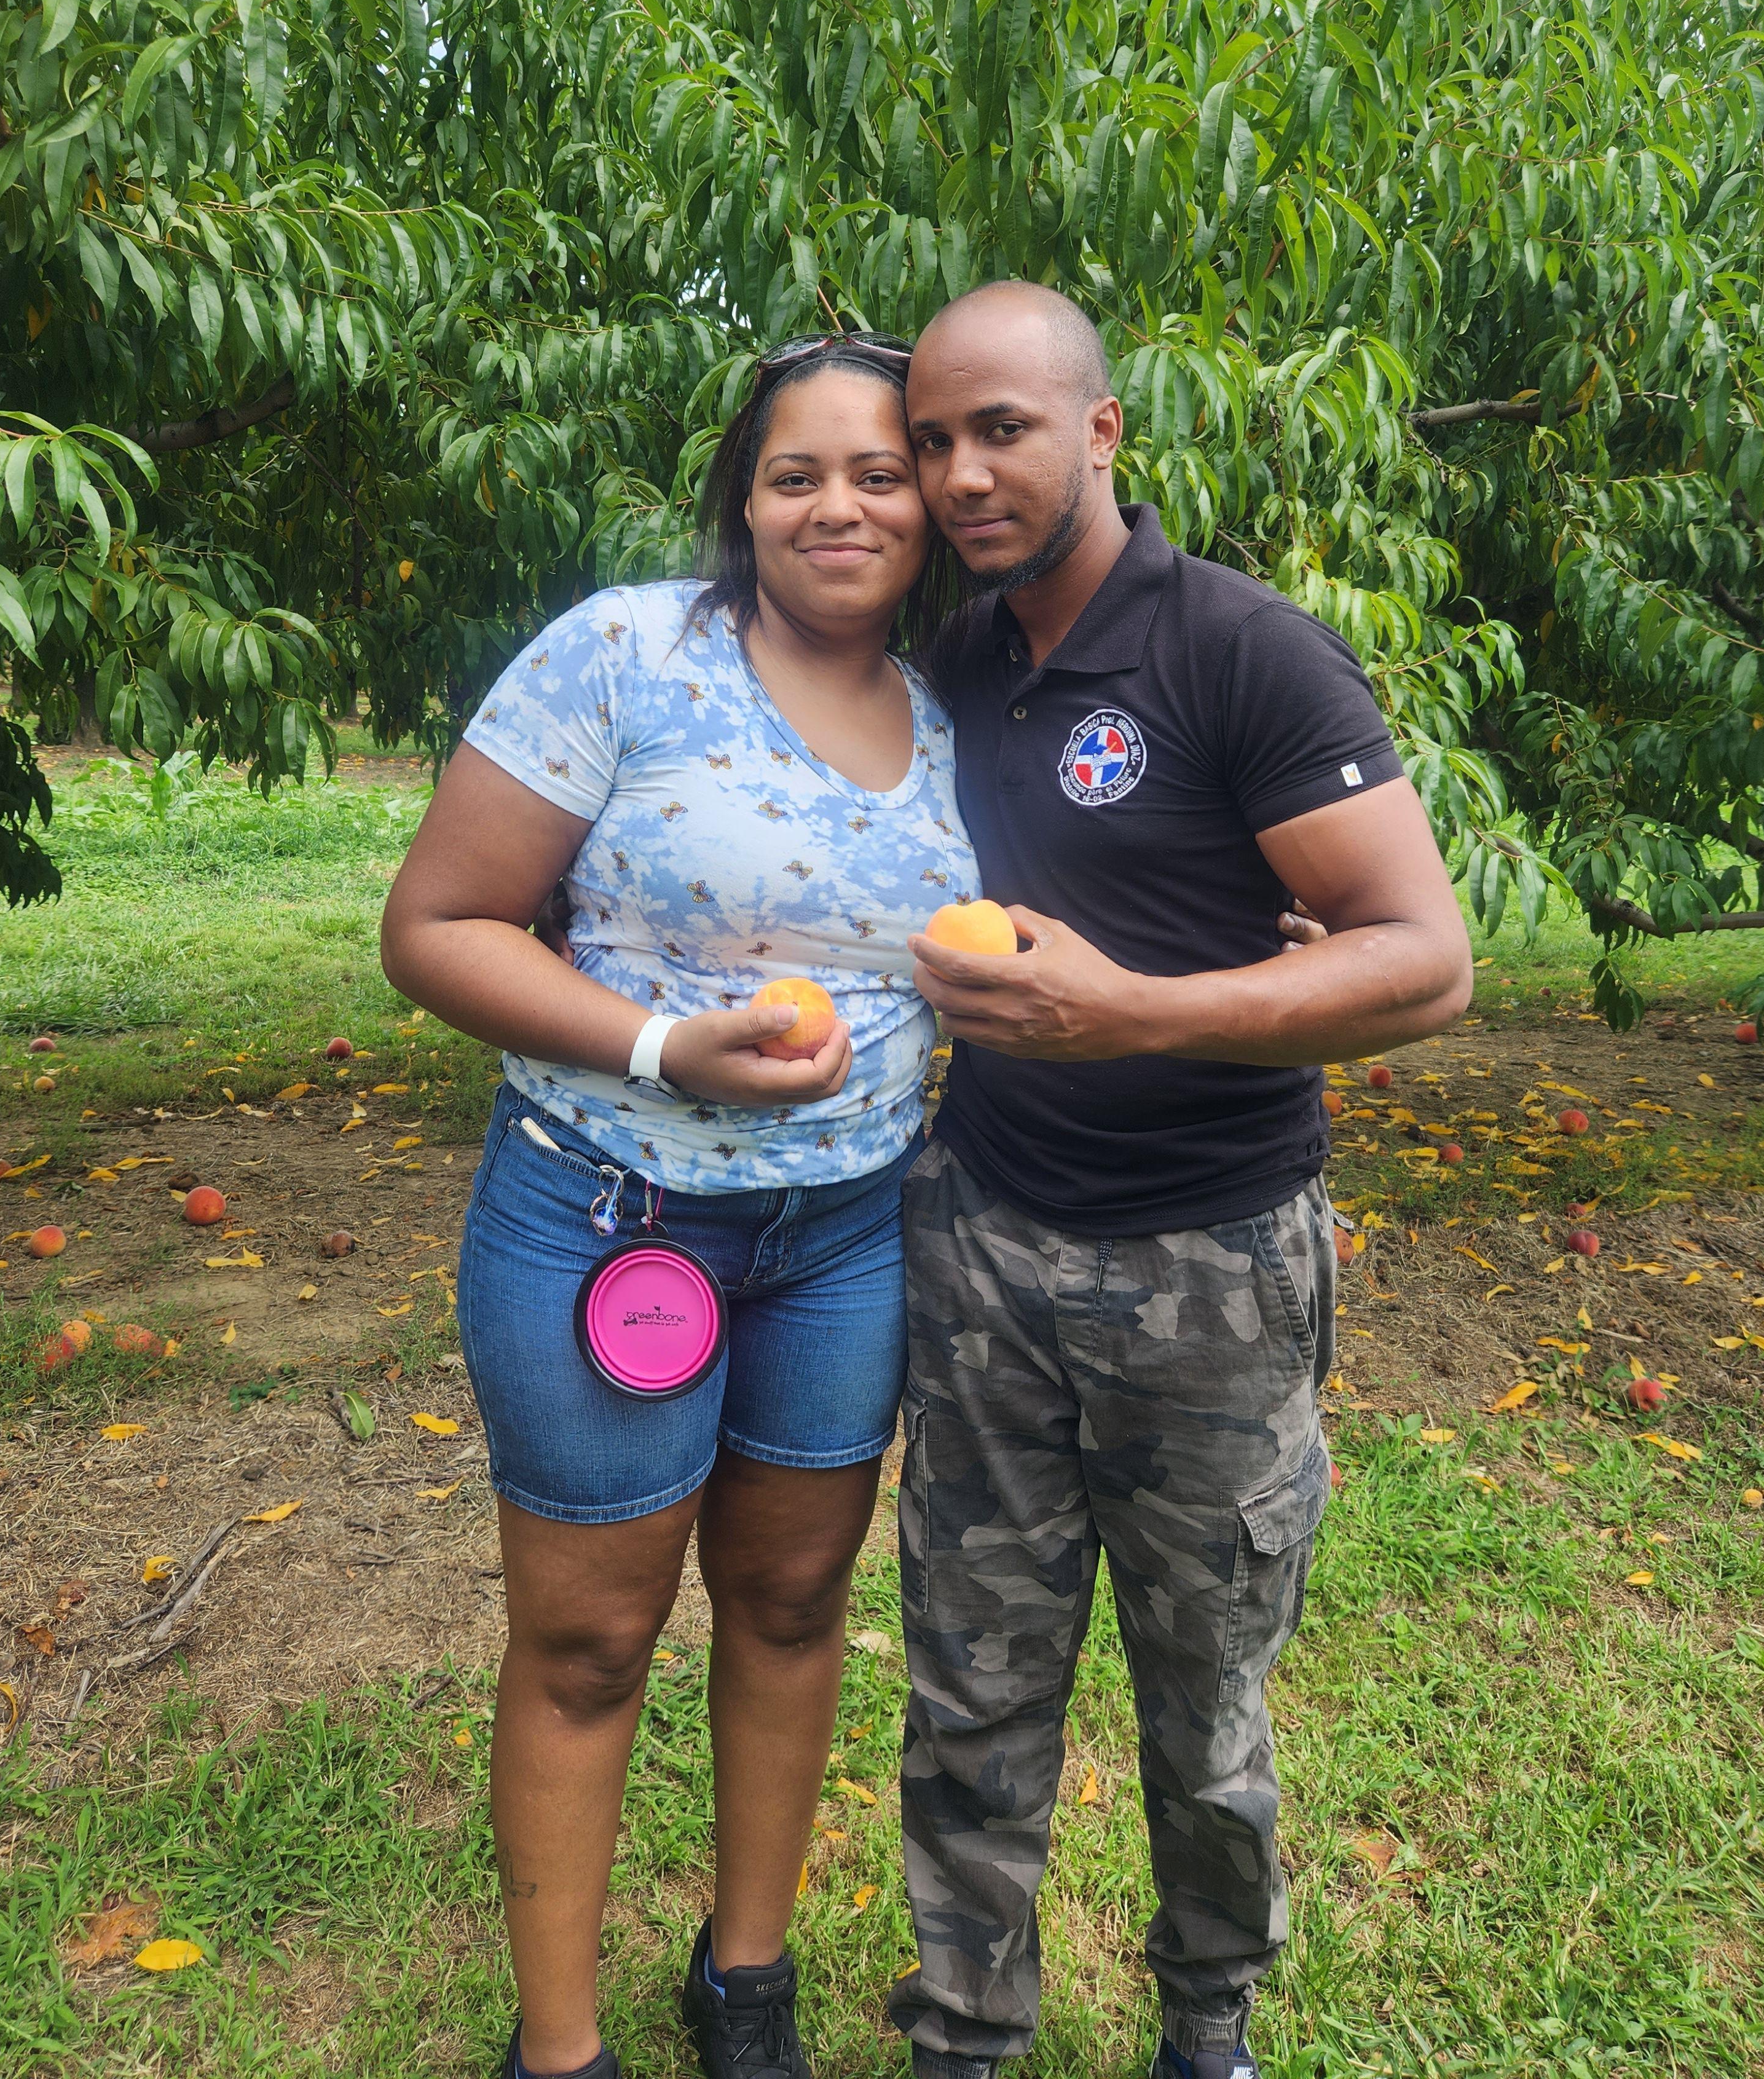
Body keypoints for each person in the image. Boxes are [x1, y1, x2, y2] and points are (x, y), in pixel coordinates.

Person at [884, 282, 1476, 2079]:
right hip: (982, 1241)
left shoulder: (1242, 653)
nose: (964, 472)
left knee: (1202, 1690)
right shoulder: (958, 663)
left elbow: (1426, 961)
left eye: (1003, 429)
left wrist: (1137, 1012)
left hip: (1212, 1262)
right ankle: (966, 2027)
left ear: (1103, 430)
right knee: (971, 1678)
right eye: (935, 440)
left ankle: (1207, 2021)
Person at [381, 331, 978, 2079]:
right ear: (743, 498)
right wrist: (665, 1046)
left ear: (933, 505)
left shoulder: (966, 708)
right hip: (605, 1219)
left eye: (882, 471)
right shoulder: (630, 654)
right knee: (586, 1637)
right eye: (797, 472)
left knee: (794, 1607)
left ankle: (749, 1983)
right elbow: (438, 927)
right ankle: (557, 2050)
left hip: (848, 1236)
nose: (841, 504)